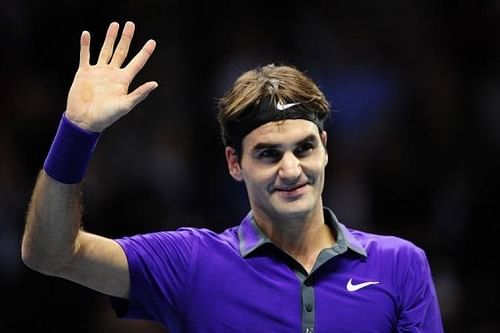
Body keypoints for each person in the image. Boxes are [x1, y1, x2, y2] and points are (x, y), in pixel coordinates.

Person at [21, 21, 444, 332]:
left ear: (325, 147)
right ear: (234, 163)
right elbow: (50, 254)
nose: (292, 169)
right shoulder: (189, 263)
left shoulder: (401, 264)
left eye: (304, 148)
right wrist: (76, 134)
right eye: (268, 154)